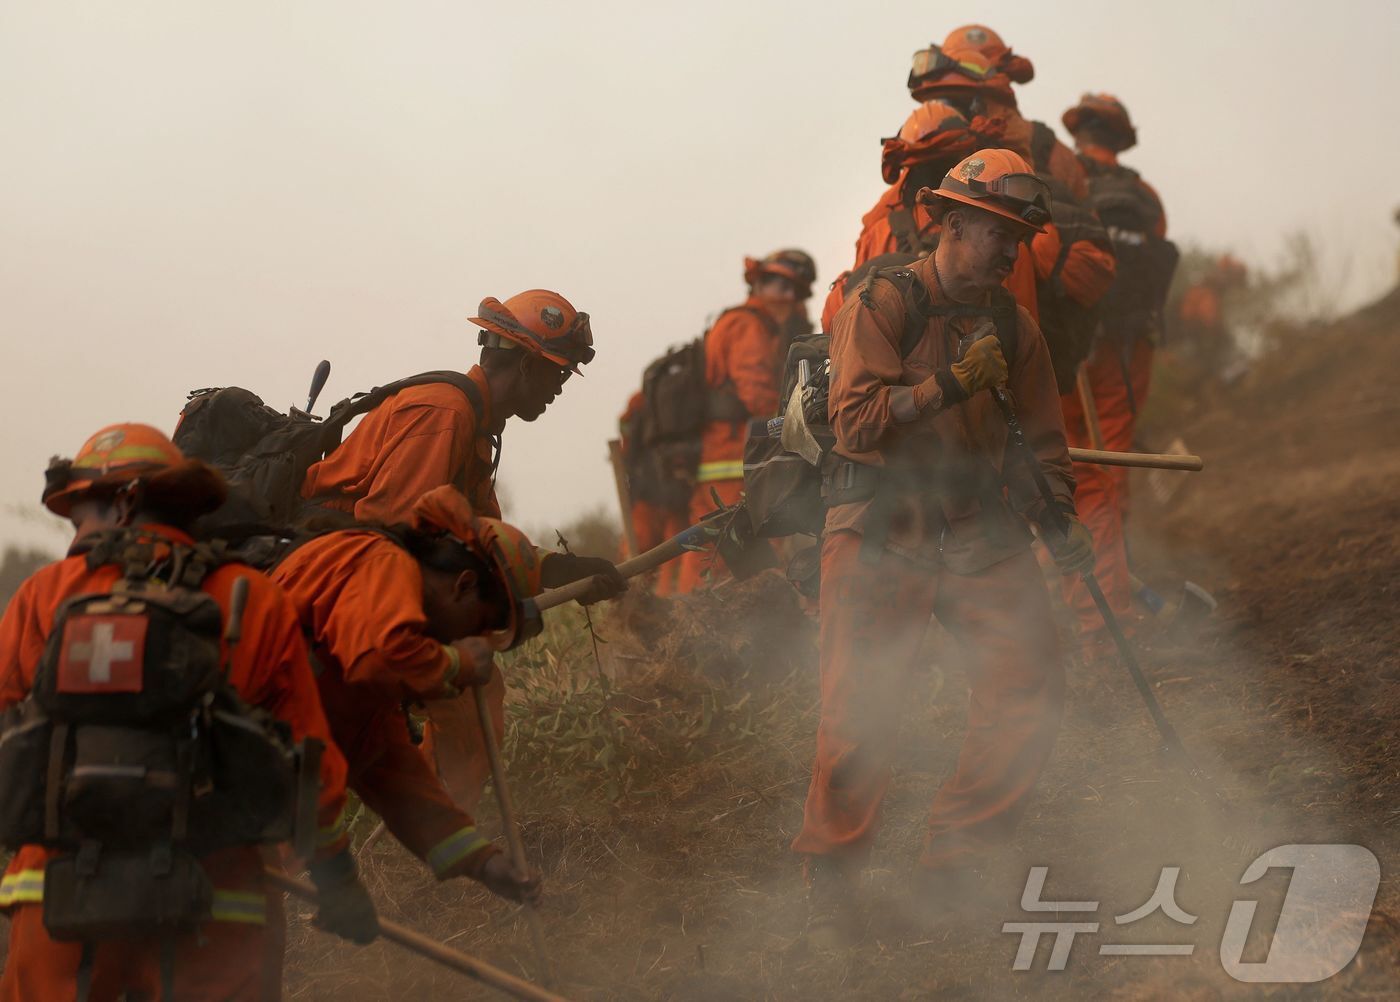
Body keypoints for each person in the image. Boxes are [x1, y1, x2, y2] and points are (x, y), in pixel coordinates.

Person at [792, 151, 1095, 945]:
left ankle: (954, 872)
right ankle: (832, 889)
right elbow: (855, 423)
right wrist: (950, 386)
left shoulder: (1013, 326)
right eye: (994, 231)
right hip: (880, 526)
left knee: (1028, 687)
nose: (1008, 250)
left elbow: (1045, 444)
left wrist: (1057, 512)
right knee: (860, 716)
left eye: (1018, 238)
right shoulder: (881, 302)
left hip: (974, 527)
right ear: (951, 223)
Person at [0, 423, 375, 1001]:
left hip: (56, 903)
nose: (78, 535)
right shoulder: (252, 598)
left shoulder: (45, 594)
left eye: (83, 515)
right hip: (214, 911)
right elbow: (311, 771)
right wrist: (337, 880)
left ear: (123, 506)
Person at [302, 290, 625, 806]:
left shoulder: (473, 426)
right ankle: (443, 833)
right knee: (465, 689)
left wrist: (558, 569)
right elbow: (390, 533)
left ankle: (442, 831)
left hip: (361, 577)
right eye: (555, 373)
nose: (559, 389)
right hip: (336, 583)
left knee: (469, 691)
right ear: (522, 364)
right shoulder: (444, 414)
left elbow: (482, 536)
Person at [270, 486, 544, 902]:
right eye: (480, 625)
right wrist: (460, 664)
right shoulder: (382, 563)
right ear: (463, 585)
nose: (475, 640)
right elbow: (379, 657)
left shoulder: (371, 692)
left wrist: (483, 863)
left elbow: (398, 779)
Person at [909, 29, 1117, 389]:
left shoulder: (1041, 152)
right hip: (962, 361)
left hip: (1012, 355)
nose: (944, 105)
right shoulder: (1051, 152)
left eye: (953, 94)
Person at [1060, 93, 1177, 651]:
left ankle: (1083, 603)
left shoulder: (1060, 173)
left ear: (1078, 132)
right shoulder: (1144, 194)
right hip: (1132, 349)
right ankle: (1110, 603)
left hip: (1074, 347)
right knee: (1111, 471)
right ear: (1121, 135)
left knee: (1065, 467)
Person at [676, 252, 805, 593]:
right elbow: (758, 394)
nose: (789, 297)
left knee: (710, 544)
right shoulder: (750, 327)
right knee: (739, 540)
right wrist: (799, 415)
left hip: (721, 452)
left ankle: (688, 620)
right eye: (780, 286)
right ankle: (720, 618)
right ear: (759, 285)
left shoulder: (737, 322)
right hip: (735, 457)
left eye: (797, 291)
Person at [618, 390, 687, 595]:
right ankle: (671, 609)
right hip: (678, 493)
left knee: (637, 557)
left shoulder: (641, 397)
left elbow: (626, 439)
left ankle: (630, 606)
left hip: (645, 491)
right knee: (675, 554)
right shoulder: (687, 388)